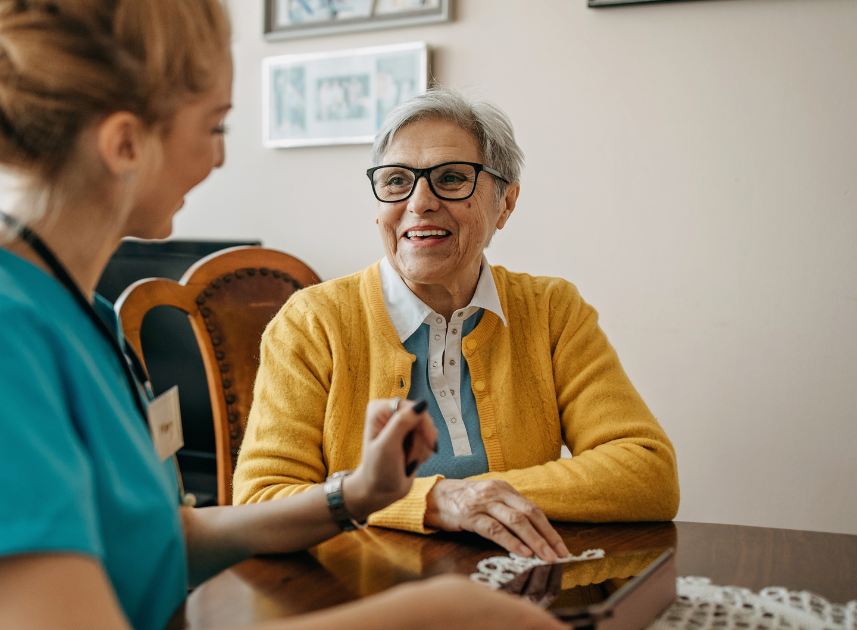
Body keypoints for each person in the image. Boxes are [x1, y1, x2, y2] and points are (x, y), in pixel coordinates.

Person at [0, 2, 568, 630]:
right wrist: (434, 613)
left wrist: (355, 496)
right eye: (215, 125)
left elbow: (165, 535)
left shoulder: (85, 316)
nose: (221, 159)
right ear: (126, 142)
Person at [233, 88, 680, 562]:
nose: (419, 202)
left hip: (514, 590)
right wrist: (434, 503)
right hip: (357, 592)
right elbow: (263, 499)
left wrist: (472, 498)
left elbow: (647, 472)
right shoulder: (311, 322)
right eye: (396, 181)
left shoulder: (552, 309)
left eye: (450, 178)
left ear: (505, 203)